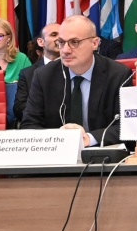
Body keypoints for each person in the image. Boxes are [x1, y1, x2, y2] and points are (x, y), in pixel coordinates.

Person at [21, 15, 130, 146]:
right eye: (61, 42)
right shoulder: (43, 76)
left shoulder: (118, 74)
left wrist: (89, 139)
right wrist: (58, 137)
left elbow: (127, 125)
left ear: (95, 43)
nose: (65, 50)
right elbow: (29, 125)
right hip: (59, 152)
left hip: (100, 152)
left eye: (74, 42)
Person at [14, 22, 59, 126]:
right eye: (54, 34)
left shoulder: (74, 69)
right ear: (41, 42)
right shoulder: (27, 73)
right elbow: (19, 108)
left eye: (62, 35)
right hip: (38, 127)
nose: (59, 38)